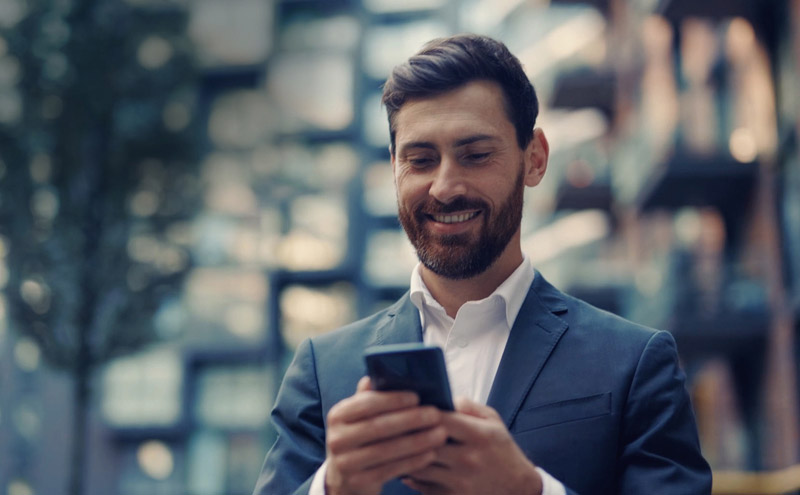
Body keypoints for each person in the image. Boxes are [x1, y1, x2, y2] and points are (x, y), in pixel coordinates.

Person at [253, 33, 712, 495]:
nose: (445, 186)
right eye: (421, 159)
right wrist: (331, 489)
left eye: (475, 155)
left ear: (534, 159)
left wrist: (528, 491)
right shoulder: (320, 371)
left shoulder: (635, 363)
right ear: (394, 166)